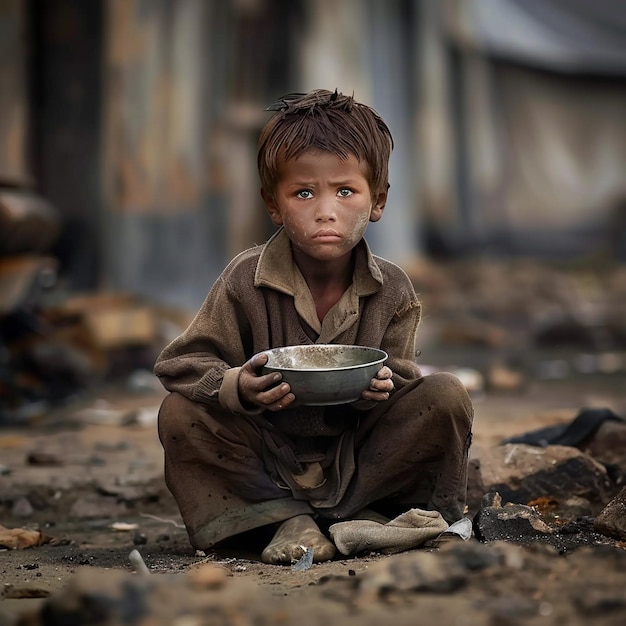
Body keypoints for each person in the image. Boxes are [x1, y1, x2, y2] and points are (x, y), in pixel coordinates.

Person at [154, 89, 474, 565]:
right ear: (274, 205)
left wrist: (382, 387)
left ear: (378, 200)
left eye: (345, 191)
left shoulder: (393, 290)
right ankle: (283, 518)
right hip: (265, 458)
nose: (325, 210)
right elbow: (180, 364)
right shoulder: (246, 278)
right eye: (304, 193)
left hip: (361, 458)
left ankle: (377, 517)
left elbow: (403, 375)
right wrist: (237, 385)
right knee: (181, 414)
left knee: (446, 396)